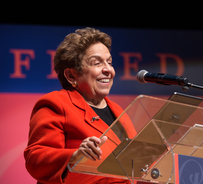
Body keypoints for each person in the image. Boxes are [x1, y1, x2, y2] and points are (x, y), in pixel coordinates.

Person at [24, 27, 136, 184]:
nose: (108, 69)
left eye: (109, 62)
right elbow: (35, 160)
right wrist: (75, 155)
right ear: (71, 75)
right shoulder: (56, 104)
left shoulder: (119, 111)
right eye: (97, 63)